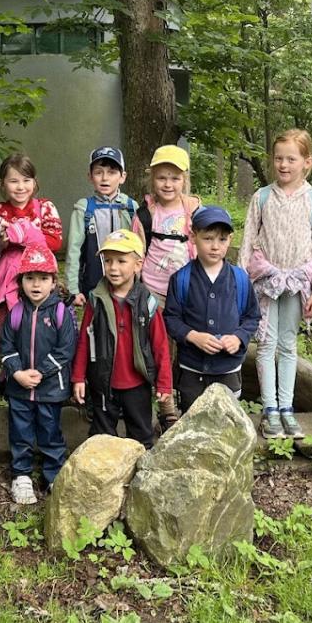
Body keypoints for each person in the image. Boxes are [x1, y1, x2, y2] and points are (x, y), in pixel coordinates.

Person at [238, 129, 312, 440]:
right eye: (278, 158)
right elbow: (247, 241)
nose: (283, 165)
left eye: (291, 159)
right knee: (266, 343)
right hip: (265, 281)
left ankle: (286, 407)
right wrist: (241, 283)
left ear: (307, 162)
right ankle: (270, 409)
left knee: (288, 344)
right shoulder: (262, 197)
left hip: (297, 282)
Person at [71, 229, 173, 449]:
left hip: (137, 384)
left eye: (121, 261)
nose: (113, 267)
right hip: (103, 383)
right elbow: (84, 341)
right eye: (108, 261)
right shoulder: (96, 299)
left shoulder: (147, 302)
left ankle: (139, 469)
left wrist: (164, 383)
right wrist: (78, 377)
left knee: (141, 436)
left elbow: (160, 345)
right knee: (101, 438)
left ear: (138, 264)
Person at [0, 240, 75, 505]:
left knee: (50, 431)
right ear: (21, 281)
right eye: (30, 278)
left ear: (53, 282)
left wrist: (41, 372)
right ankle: (21, 475)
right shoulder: (16, 312)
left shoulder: (61, 312)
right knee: (20, 432)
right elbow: (6, 346)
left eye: (43, 278)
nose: (36, 284)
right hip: (19, 388)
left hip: (50, 389)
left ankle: (53, 474)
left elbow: (66, 349)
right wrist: (17, 372)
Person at [163, 206, 260, 413]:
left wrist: (238, 337)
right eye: (208, 239)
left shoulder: (240, 279)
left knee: (227, 421)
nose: (215, 246)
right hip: (191, 369)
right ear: (193, 237)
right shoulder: (181, 279)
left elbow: (252, 317)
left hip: (228, 369)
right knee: (192, 419)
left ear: (230, 240)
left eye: (222, 240)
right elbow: (171, 318)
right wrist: (192, 336)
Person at [132, 144, 201, 430]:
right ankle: (166, 408)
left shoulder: (194, 211)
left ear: (184, 179)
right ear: (152, 179)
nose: (168, 184)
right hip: (155, 292)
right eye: (162, 177)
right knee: (161, 351)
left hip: (188, 293)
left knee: (188, 348)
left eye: (175, 177)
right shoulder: (146, 215)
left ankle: (192, 402)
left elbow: (205, 246)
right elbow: (136, 254)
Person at [0, 153, 64, 358]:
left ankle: (39, 360)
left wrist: (25, 234)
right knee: (7, 324)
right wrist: (3, 243)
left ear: (34, 182)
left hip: (38, 275)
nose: (20, 187)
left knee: (37, 322)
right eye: (14, 181)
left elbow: (55, 241)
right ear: (2, 184)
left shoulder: (45, 208)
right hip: (7, 279)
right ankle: (5, 365)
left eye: (26, 180)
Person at [66, 146, 138, 304]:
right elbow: (74, 251)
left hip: (127, 285)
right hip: (93, 285)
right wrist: (73, 289)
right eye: (99, 172)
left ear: (122, 177)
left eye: (112, 172)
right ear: (90, 176)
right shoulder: (84, 209)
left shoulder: (131, 207)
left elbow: (139, 250)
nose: (105, 178)